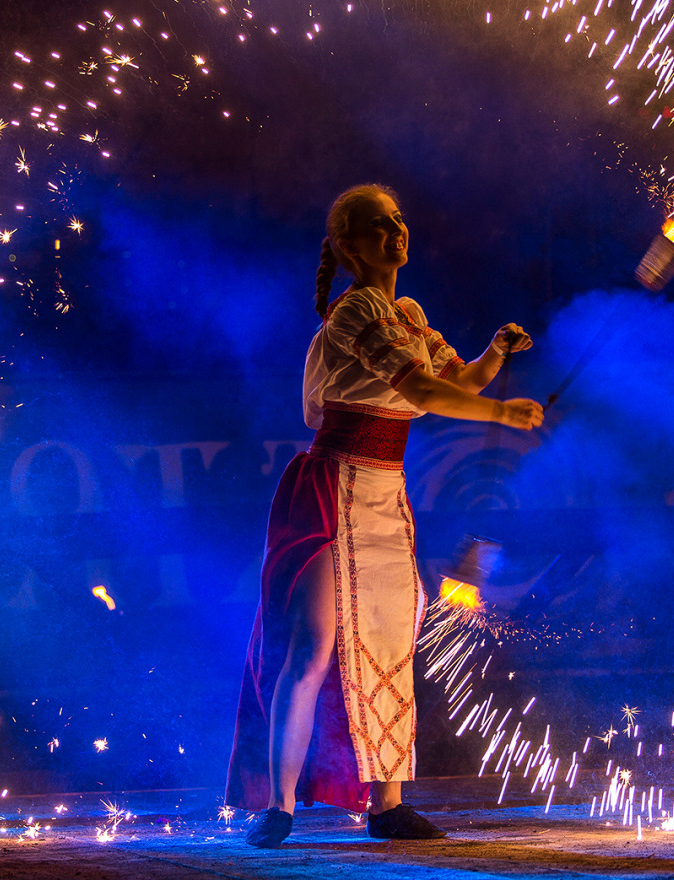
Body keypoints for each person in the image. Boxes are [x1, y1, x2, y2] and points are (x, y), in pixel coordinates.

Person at [226, 183, 544, 848]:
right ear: (347, 246)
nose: (394, 231)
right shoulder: (352, 315)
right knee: (313, 650)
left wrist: (494, 354)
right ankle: (277, 806)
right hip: (331, 490)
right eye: (375, 225)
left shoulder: (408, 313)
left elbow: (458, 379)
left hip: (386, 497)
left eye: (397, 219)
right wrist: (503, 416)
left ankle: (388, 805)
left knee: (393, 650)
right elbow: (420, 390)